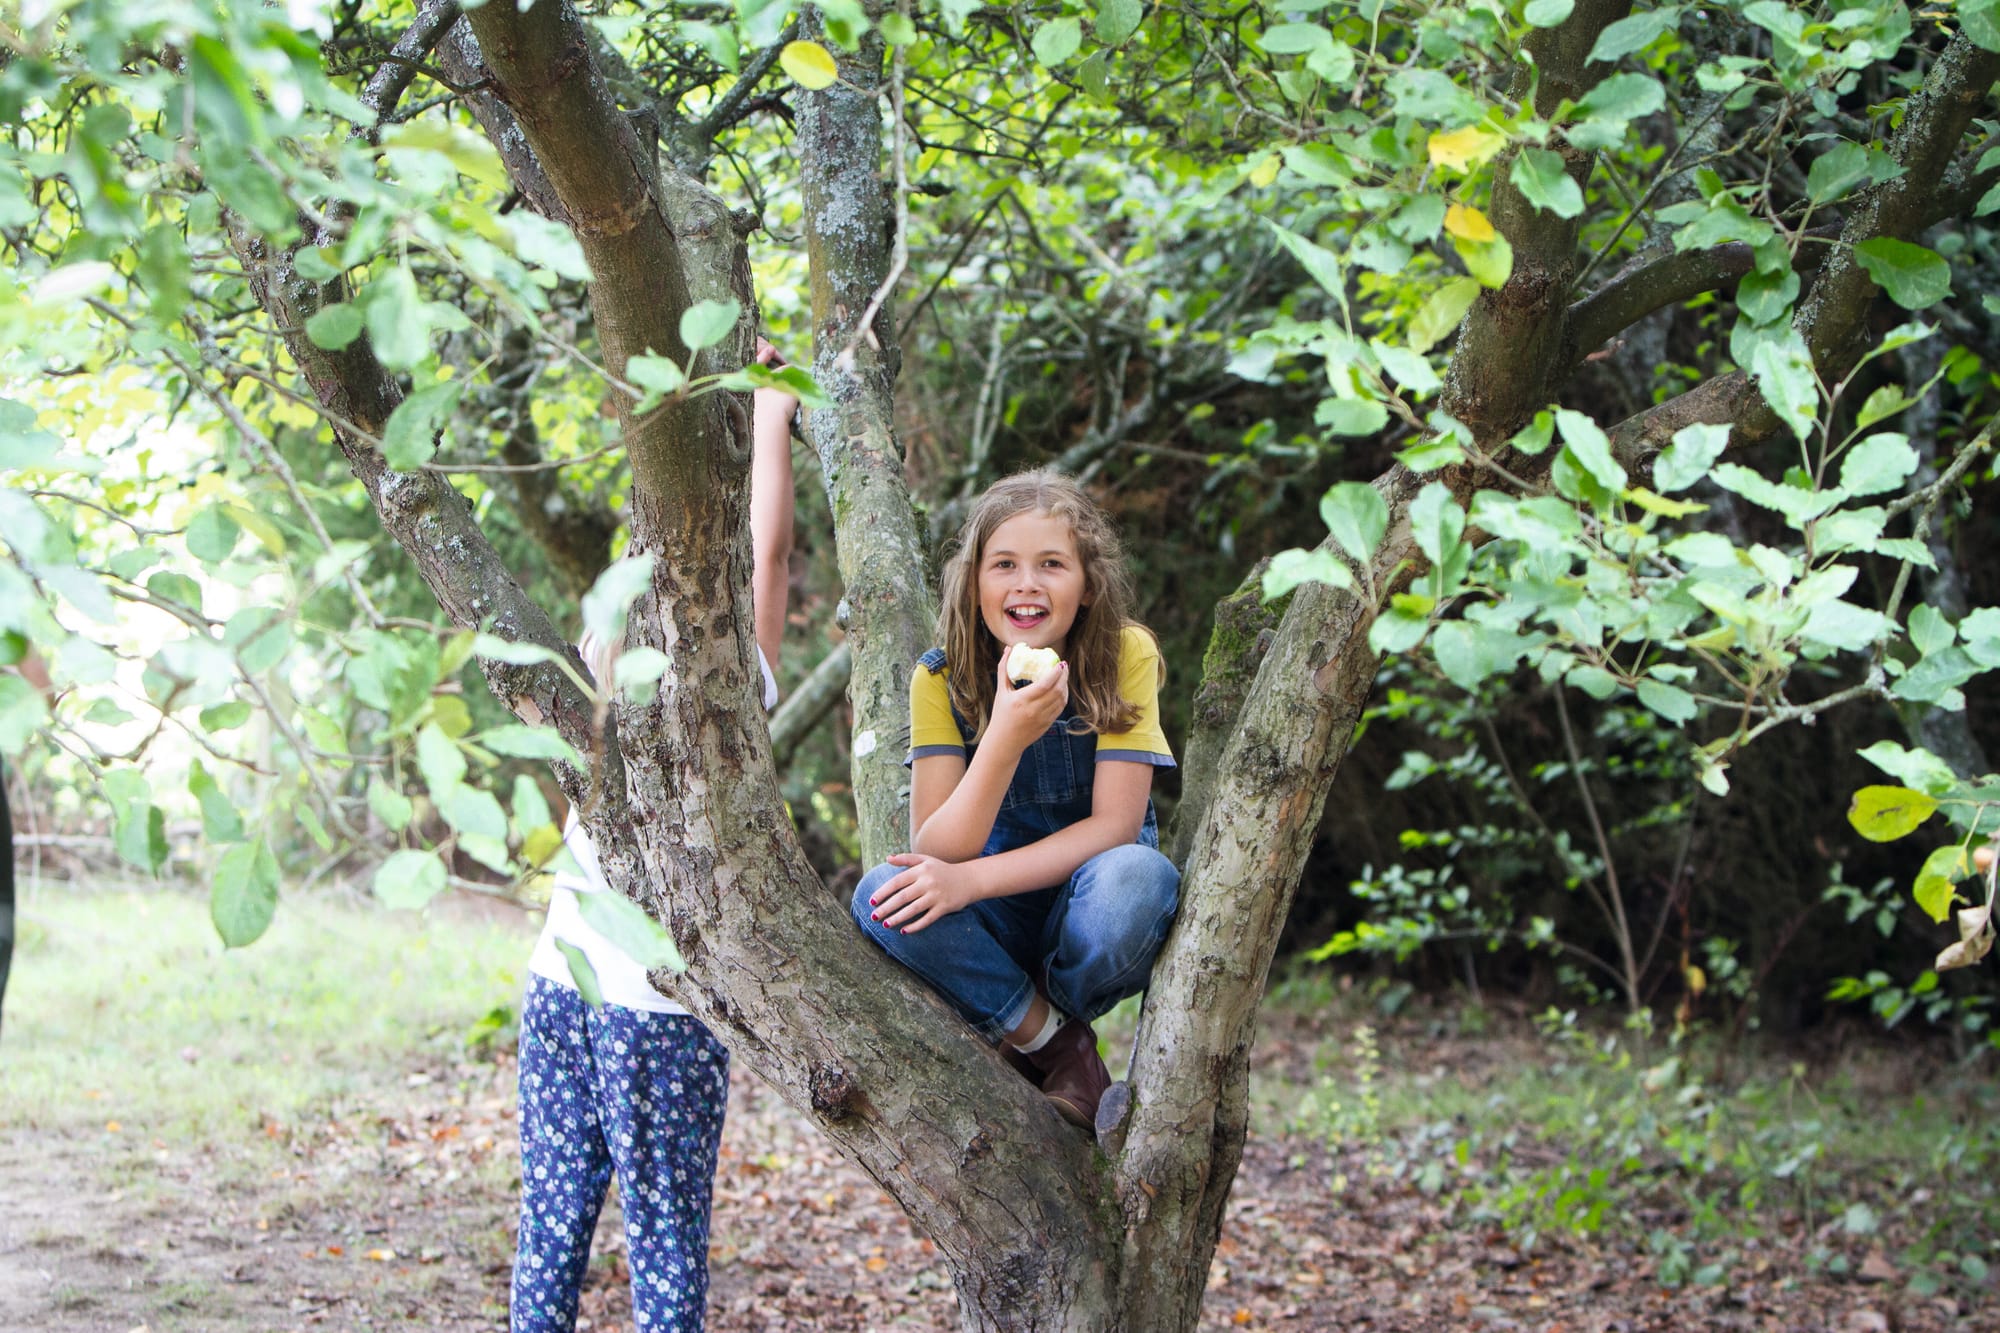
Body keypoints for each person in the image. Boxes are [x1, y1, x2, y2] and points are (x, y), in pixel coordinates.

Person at [510, 344, 795, 1333]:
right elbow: (764, 553)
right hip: (655, 1008)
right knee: (665, 1244)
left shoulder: (595, 666)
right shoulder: (731, 691)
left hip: (562, 979)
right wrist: (769, 414)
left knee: (551, 1230)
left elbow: (709, 543)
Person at [849, 469, 1180, 1131]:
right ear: (975, 584)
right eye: (1004, 564)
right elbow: (937, 850)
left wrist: (966, 880)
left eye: (1052, 564)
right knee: (881, 896)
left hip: (1086, 917)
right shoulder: (940, 677)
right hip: (996, 919)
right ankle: (1060, 1045)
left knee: (1140, 879)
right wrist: (1003, 734)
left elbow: (1116, 827)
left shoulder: (1124, 654)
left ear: (1088, 586)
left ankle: (1024, 1017)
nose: (1027, 583)